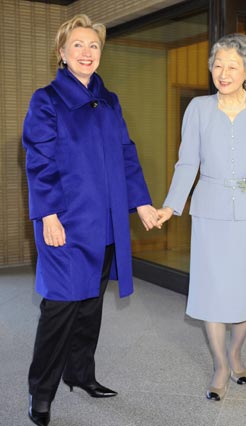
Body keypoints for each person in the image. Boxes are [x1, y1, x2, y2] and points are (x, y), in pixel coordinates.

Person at [23, 14, 159, 426]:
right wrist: (47, 213)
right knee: (60, 308)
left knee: (90, 305)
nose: (87, 52)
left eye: (94, 46)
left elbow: (126, 154)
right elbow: (39, 160)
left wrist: (142, 204)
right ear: (62, 54)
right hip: (63, 222)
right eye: (78, 45)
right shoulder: (46, 100)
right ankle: (40, 393)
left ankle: (80, 374)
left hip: (105, 224)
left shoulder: (110, 100)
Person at [157, 33, 246, 401]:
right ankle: (219, 364)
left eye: (232, 66)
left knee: (245, 289)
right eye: (217, 65)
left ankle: (235, 353)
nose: (223, 73)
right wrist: (171, 205)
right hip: (209, 210)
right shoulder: (198, 108)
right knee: (211, 289)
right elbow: (188, 163)